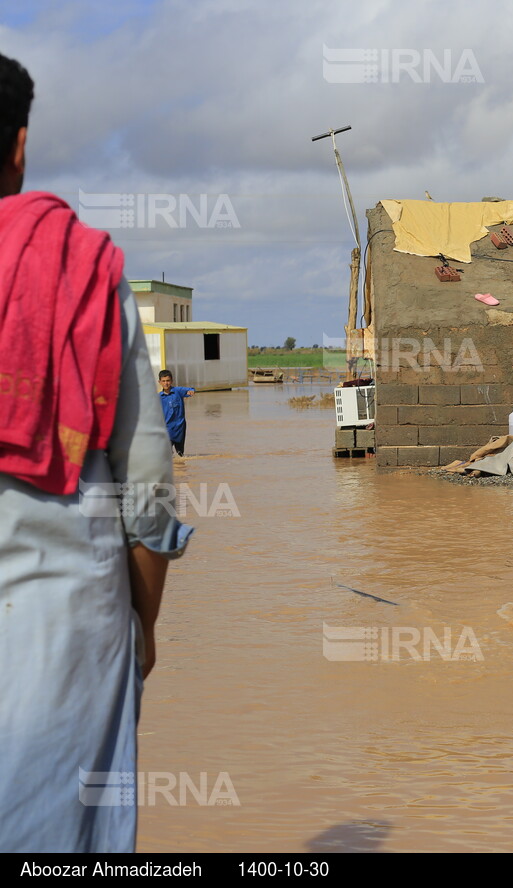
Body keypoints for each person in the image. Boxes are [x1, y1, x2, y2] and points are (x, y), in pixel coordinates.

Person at [0, 51, 191, 853]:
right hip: (63, 615)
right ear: (18, 144)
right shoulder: (74, 265)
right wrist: (142, 625)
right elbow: (146, 486)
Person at [157, 369, 194, 457]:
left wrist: (191, 391)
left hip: (180, 427)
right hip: (166, 428)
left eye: (168, 381)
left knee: (180, 454)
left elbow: (191, 389)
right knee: (167, 454)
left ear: (172, 381)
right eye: (163, 381)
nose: (166, 383)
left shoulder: (178, 391)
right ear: (159, 382)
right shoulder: (158, 397)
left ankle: (181, 469)